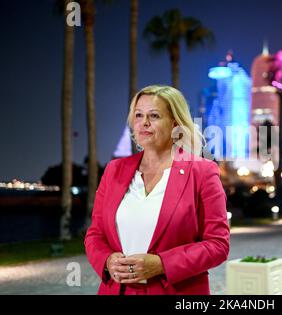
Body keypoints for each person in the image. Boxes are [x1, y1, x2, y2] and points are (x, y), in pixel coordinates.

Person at [84, 85, 230, 295]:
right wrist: (107, 260)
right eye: (138, 115)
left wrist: (162, 264)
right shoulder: (114, 170)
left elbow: (218, 245)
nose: (144, 123)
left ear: (175, 123)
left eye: (154, 115)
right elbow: (95, 234)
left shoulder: (203, 172)